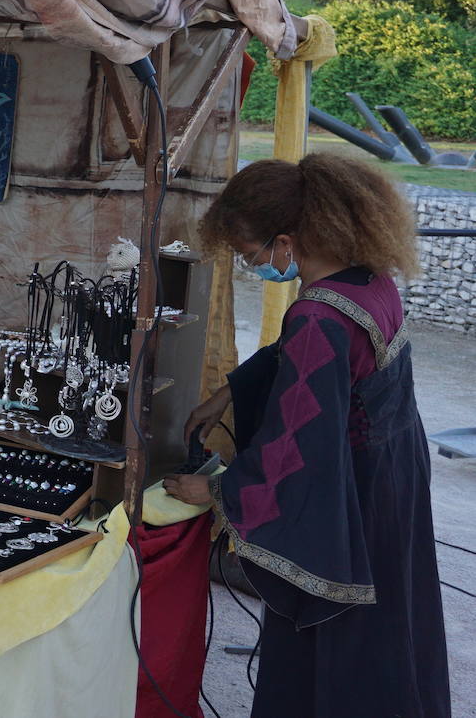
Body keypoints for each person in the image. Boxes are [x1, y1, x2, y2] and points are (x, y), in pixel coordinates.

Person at [163, 154, 449, 717]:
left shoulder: (318, 316)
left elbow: (293, 449)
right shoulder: (368, 280)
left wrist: (220, 490)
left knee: (341, 644)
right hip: (395, 477)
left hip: (349, 497)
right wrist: (233, 388)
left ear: (287, 240)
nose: (256, 267)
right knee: (395, 619)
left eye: (253, 256)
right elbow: (312, 362)